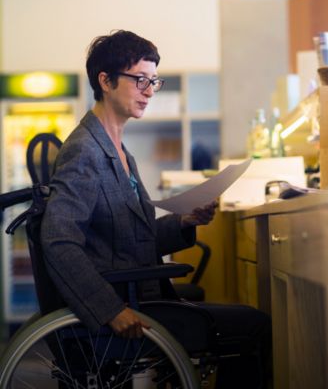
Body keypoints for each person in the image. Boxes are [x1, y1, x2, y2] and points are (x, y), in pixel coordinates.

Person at [41, 30, 270, 387]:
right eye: (140, 80)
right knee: (255, 326)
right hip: (126, 302)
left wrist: (184, 222)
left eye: (154, 81)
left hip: (140, 292)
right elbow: (58, 239)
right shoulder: (84, 151)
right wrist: (110, 310)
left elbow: (127, 238)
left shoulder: (118, 150)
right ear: (106, 80)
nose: (150, 91)